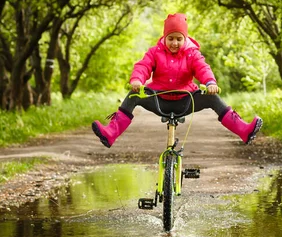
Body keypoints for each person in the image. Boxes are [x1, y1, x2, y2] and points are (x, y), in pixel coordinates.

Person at [92, 13, 262, 148]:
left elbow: (203, 68)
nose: (174, 43)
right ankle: (110, 134)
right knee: (133, 96)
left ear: (185, 39)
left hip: (186, 101)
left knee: (212, 98)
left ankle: (244, 130)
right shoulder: (155, 52)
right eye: (171, 38)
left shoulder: (192, 53)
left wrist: (210, 82)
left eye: (179, 39)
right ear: (164, 37)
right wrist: (137, 79)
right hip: (159, 100)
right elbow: (143, 66)